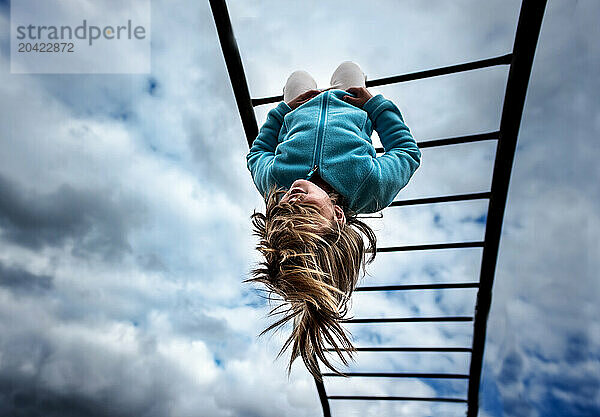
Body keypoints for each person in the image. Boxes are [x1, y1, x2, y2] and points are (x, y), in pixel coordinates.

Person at [245, 62, 421, 381]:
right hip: (349, 102)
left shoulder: (274, 182)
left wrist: (281, 113)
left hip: (298, 109)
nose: (292, 200)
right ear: (338, 217)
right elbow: (407, 153)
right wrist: (374, 106)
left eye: (284, 210)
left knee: (297, 76)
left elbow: (256, 155)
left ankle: (296, 90)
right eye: (308, 211)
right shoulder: (369, 187)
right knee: (349, 67)